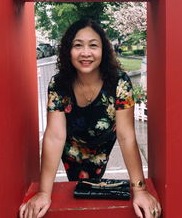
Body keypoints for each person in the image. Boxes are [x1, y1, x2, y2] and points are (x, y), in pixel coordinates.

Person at [19, 19, 161, 218]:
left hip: (102, 144)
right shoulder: (58, 84)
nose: (86, 53)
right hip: (72, 147)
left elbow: (126, 135)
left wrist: (140, 190)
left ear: (103, 50)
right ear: (68, 50)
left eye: (93, 45)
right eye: (78, 45)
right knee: (78, 194)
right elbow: (54, 136)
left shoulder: (120, 81)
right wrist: (43, 192)